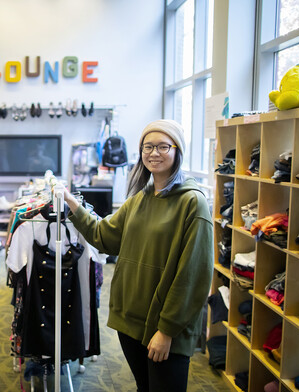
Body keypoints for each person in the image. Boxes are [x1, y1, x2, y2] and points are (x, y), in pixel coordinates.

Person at [60, 119, 213, 392]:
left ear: (178, 151)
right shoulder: (139, 199)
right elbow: (104, 236)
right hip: (130, 321)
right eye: (148, 147)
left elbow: (194, 275)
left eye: (163, 146)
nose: (154, 153)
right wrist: (73, 204)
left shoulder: (193, 203)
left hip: (165, 329)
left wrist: (167, 330)